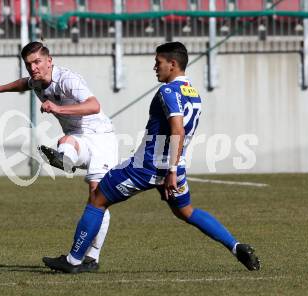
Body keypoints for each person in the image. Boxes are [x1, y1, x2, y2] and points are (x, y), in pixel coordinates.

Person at [42, 42, 260, 273]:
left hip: (146, 167)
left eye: (159, 63)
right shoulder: (193, 93)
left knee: (97, 199)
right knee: (187, 212)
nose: (155, 67)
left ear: (172, 64)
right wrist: (174, 170)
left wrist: (171, 171)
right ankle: (236, 247)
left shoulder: (168, 91)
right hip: (172, 168)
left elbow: (178, 130)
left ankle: (74, 261)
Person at [0, 41, 118, 272]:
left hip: (102, 138)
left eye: (37, 62)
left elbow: (94, 105)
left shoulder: (68, 80)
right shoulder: (35, 79)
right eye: (29, 64)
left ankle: (91, 257)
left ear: (50, 60)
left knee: (97, 199)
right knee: (66, 142)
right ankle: (66, 159)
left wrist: (58, 108)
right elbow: (25, 83)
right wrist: (0, 88)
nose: (33, 68)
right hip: (78, 137)